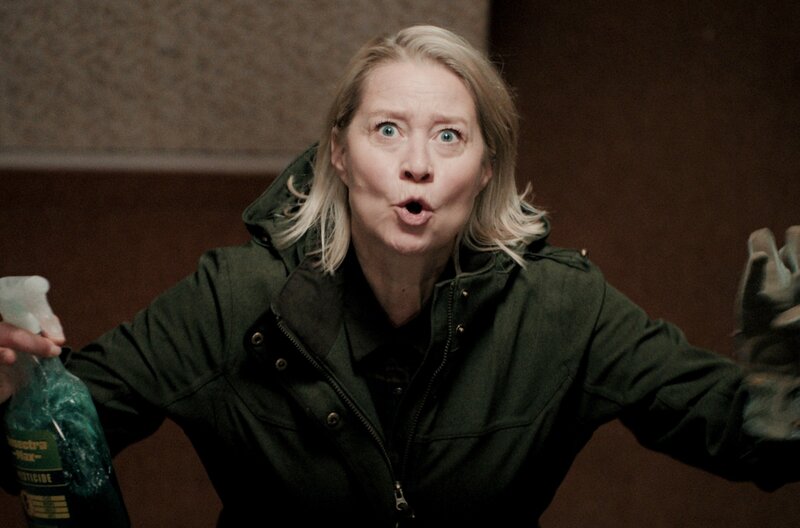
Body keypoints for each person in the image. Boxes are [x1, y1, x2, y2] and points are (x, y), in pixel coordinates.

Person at [1, 24, 799, 527]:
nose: (417, 163)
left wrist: (781, 390)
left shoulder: (561, 308)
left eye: (450, 137)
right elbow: (39, 450)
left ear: (485, 169)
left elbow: (743, 436)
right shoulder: (231, 300)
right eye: (387, 130)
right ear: (339, 154)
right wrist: (10, 392)